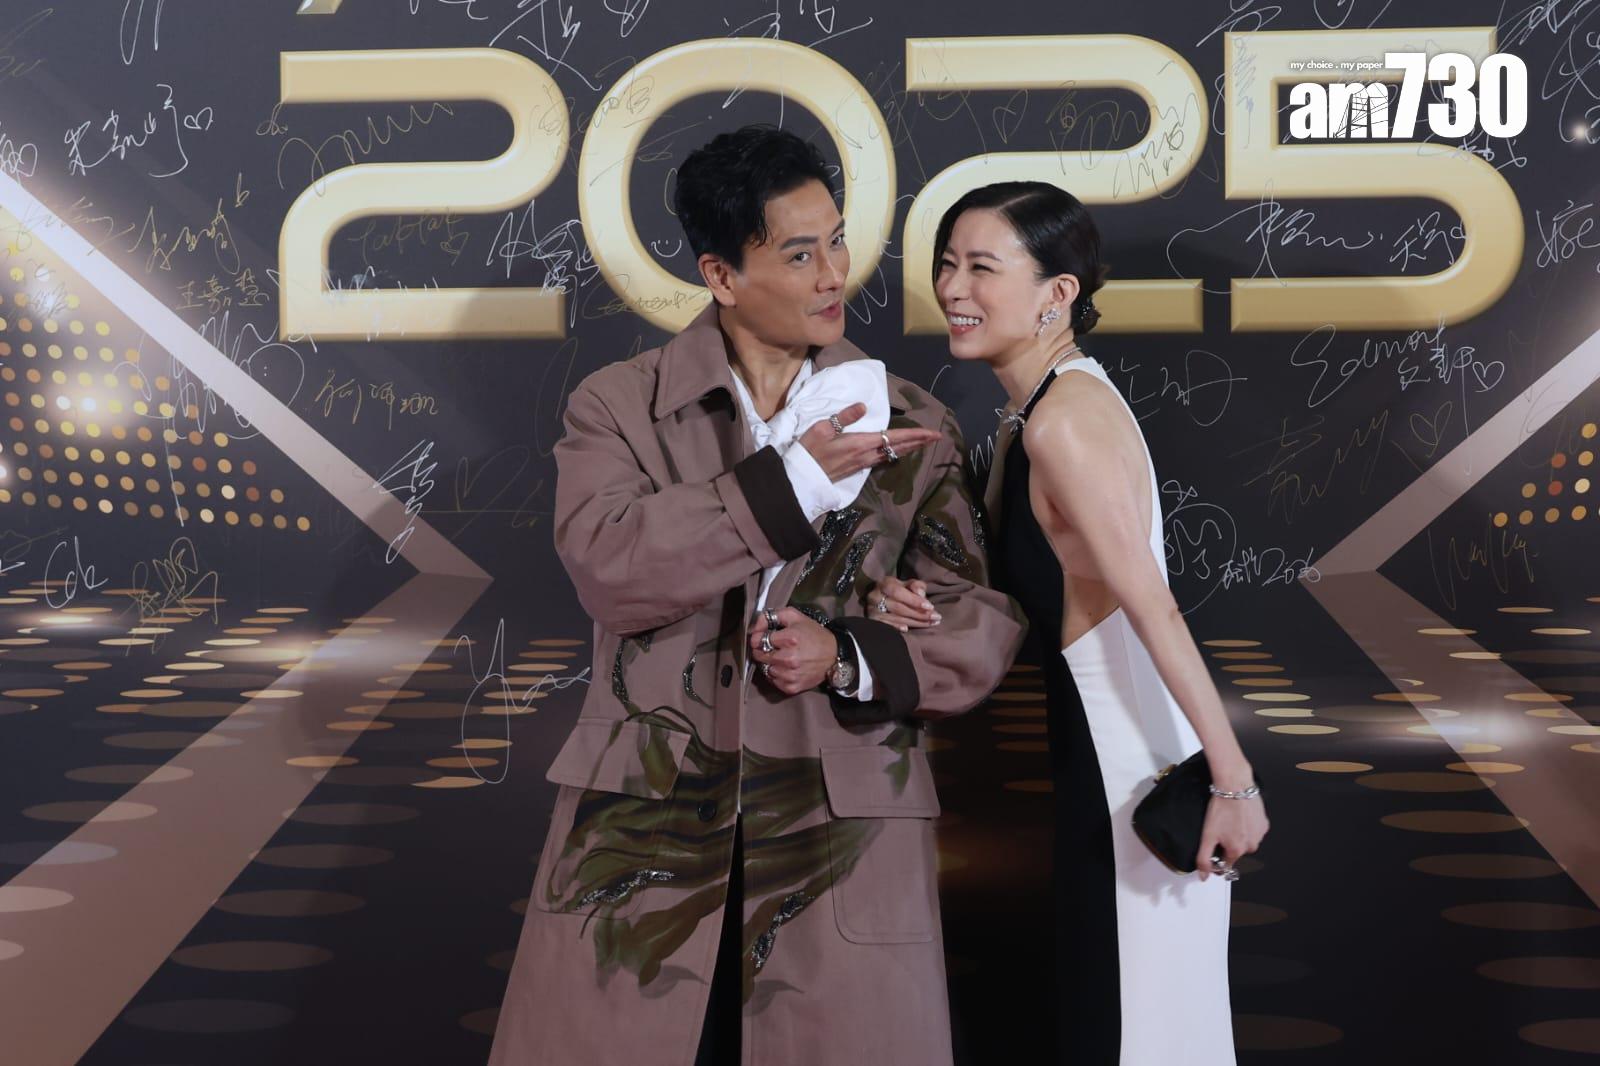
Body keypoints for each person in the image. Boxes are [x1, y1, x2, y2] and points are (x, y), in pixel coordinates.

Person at [486, 127, 1026, 1066]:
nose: (834, 275)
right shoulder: (619, 406)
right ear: (722, 275)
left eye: (838, 242)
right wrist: (794, 483)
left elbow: (980, 619)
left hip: (834, 830)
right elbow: (610, 567)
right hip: (648, 834)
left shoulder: (910, 420)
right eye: (799, 254)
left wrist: (850, 653)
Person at [868, 181, 1268, 1066]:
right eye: (946, 264)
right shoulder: (1037, 410)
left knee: (1141, 1035)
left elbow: (1153, 604)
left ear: (1057, 293)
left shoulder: (1064, 423)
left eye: (982, 267)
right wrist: (905, 598)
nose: (953, 288)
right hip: (1101, 757)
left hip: (1131, 766)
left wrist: (1234, 782)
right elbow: (1014, 586)